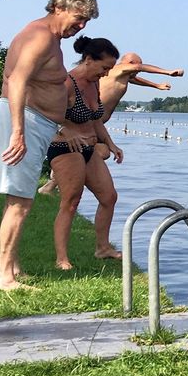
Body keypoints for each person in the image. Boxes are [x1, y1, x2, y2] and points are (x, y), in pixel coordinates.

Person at [0, 0, 98, 291]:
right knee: (20, 202)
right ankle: (4, 278)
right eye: (78, 18)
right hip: (24, 120)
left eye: (86, 21)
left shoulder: (49, 38)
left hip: (34, 121)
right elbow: (17, 80)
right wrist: (18, 132)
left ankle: (12, 267)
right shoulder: (40, 37)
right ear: (59, 7)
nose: (81, 27)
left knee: (20, 198)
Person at [37, 52, 183, 195]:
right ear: (128, 64)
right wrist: (168, 72)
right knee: (98, 151)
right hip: (89, 120)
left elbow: (135, 79)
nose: (137, 68)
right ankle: (54, 182)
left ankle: (56, 180)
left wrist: (156, 86)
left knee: (101, 151)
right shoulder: (116, 69)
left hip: (97, 122)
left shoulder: (122, 75)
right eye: (136, 64)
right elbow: (138, 68)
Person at [47, 36, 125, 269]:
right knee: (71, 201)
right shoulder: (66, 83)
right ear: (89, 60)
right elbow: (47, 115)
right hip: (64, 148)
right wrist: (64, 130)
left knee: (109, 197)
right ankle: (62, 259)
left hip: (88, 148)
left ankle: (103, 248)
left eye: (110, 69)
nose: (106, 73)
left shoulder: (94, 83)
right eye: (104, 68)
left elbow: (95, 119)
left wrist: (111, 144)